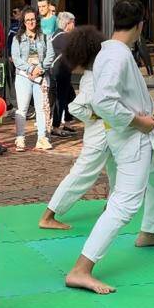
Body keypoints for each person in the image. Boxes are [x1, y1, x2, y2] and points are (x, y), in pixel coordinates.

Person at [64, 0, 154, 295]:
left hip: (143, 136)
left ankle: (149, 231)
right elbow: (104, 102)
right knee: (124, 203)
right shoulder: (115, 56)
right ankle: (81, 269)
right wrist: (137, 123)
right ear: (142, 23)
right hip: (131, 139)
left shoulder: (116, 52)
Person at [38, 25, 115, 230]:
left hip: (108, 131)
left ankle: (112, 206)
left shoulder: (95, 74)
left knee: (117, 168)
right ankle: (48, 216)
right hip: (99, 133)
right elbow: (76, 107)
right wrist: (95, 115)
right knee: (82, 174)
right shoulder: (91, 78)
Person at [11, 6, 55, 152]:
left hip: (41, 76)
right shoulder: (17, 39)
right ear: (23, 22)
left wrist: (40, 68)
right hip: (24, 76)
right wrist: (30, 69)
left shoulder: (45, 36)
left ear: (37, 20)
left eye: (33, 19)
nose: (30, 22)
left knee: (41, 108)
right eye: (27, 20)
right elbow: (16, 58)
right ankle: (20, 138)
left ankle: (42, 138)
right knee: (22, 108)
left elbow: (50, 55)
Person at [50, 12, 77, 139]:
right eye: (73, 22)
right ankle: (55, 127)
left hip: (64, 72)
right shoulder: (63, 36)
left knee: (70, 96)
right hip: (60, 73)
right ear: (68, 23)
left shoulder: (58, 34)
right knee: (60, 100)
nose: (74, 25)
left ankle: (67, 122)